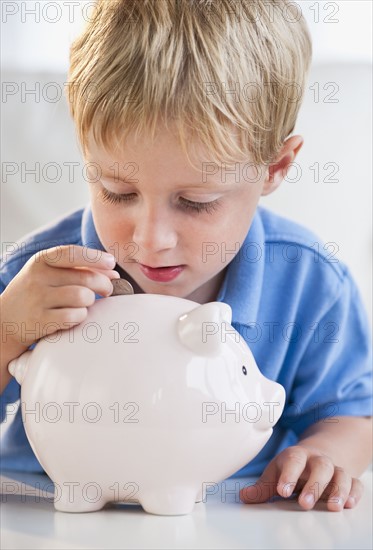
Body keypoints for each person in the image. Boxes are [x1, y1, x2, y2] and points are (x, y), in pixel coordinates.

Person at [1, 0, 371, 511]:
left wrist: (323, 453)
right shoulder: (35, 277)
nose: (151, 239)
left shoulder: (310, 284)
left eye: (196, 202)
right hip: (47, 512)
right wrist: (7, 333)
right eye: (117, 191)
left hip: (231, 516)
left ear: (275, 167)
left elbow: (353, 414)